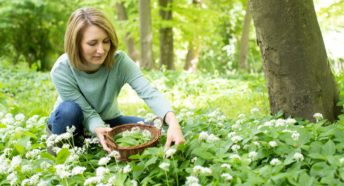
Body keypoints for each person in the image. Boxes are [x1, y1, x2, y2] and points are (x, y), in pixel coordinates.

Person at [47, 7, 185, 153]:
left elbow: (148, 92)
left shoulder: (120, 62)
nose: (101, 50)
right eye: (92, 43)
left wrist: (173, 122)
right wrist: (100, 129)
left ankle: (94, 144)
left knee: (155, 127)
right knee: (69, 109)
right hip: (71, 122)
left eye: (106, 41)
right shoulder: (61, 69)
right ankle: (64, 150)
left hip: (107, 121)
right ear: (76, 44)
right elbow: (86, 112)